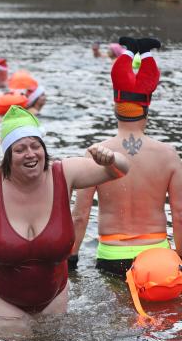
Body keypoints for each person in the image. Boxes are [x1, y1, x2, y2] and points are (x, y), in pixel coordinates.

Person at [0, 105, 129, 335]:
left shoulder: (65, 173)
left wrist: (112, 158)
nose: (30, 154)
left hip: (53, 296)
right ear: (8, 157)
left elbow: (120, 170)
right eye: (20, 149)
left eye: (35, 146)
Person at [71, 37, 182, 277]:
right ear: (147, 110)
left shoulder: (95, 154)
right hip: (158, 261)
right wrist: (180, 260)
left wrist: (70, 262)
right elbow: (179, 213)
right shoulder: (169, 155)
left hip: (112, 256)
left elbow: (80, 216)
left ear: (116, 108)